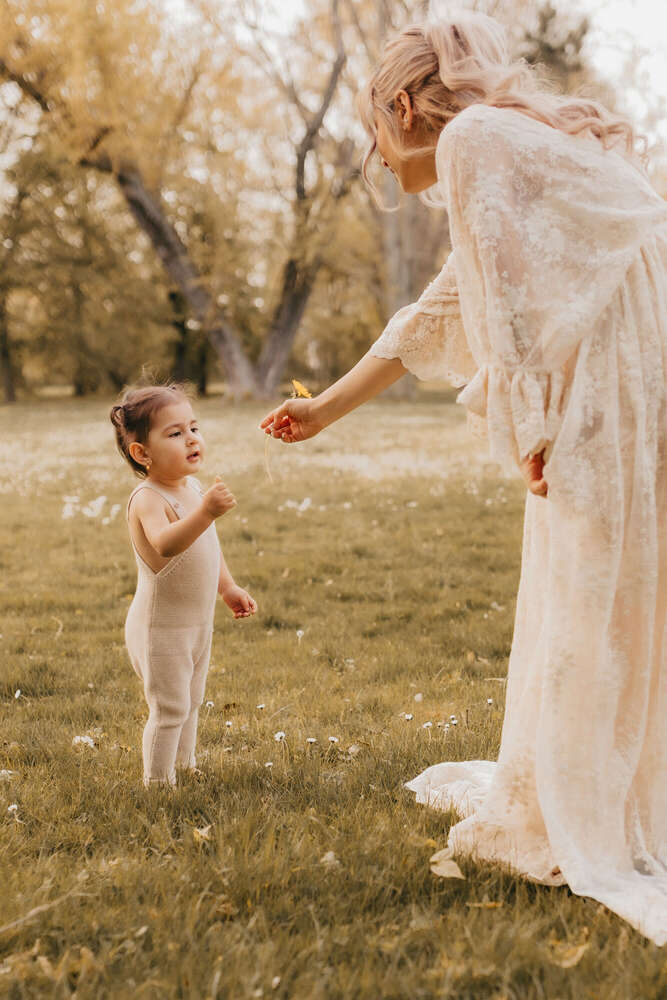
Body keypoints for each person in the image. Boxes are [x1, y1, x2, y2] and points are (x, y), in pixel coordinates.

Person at [260, 12, 667, 944]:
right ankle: (596, 785)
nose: (376, 150)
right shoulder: (511, 145)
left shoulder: (477, 138)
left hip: (605, 387)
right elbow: (436, 311)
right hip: (632, 376)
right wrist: (323, 408)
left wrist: (533, 427)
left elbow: (519, 307)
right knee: (612, 590)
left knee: (590, 591)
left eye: (373, 124)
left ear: (402, 105)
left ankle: (588, 815)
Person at [110, 383, 257, 786]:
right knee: (170, 708)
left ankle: (185, 765)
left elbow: (208, 548)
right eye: (175, 433)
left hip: (195, 625)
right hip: (161, 629)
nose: (191, 438)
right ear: (142, 453)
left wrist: (228, 588)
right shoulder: (148, 498)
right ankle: (158, 783)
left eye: (194, 427)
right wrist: (207, 511)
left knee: (191, 702)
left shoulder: (191, 488)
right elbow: (166, 544)